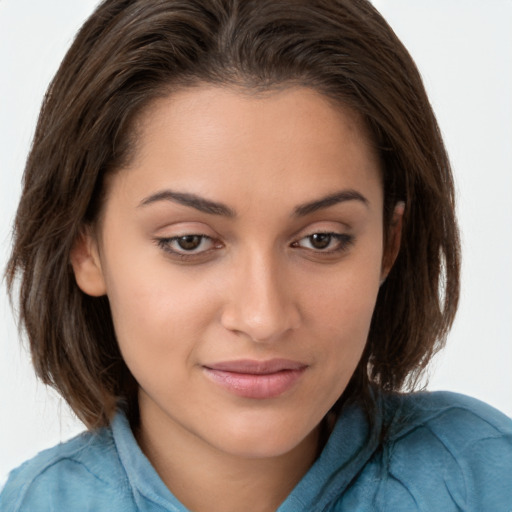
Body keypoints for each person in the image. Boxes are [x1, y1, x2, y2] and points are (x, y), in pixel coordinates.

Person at [1, 0, 511, 510]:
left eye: (322, 239)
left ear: (389, 244)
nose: (263, 318)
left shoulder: (482, 478)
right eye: (189, 241)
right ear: (84, 246)